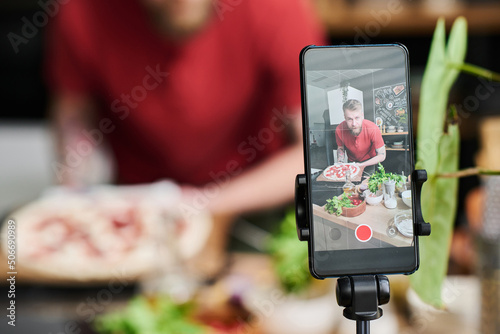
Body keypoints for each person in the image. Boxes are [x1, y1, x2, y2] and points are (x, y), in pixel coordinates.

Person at [44, 0, 325, 277]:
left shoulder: (278, 8)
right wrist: (76, 190)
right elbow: (75, 114)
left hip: (252, 203)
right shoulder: (81, 10)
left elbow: (318, 152)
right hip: (139, 213)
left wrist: (205, 203)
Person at [335, 99, 385, 175]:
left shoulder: (373, 128)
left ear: (362, 116)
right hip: (351, 162)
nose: (354, 124)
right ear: (345, 117)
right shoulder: (339, 129)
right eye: (350, 119)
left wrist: (361, 165)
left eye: (357, 118)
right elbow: (341, 148)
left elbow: (381, 155)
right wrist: (340, 162)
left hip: (369, 162)